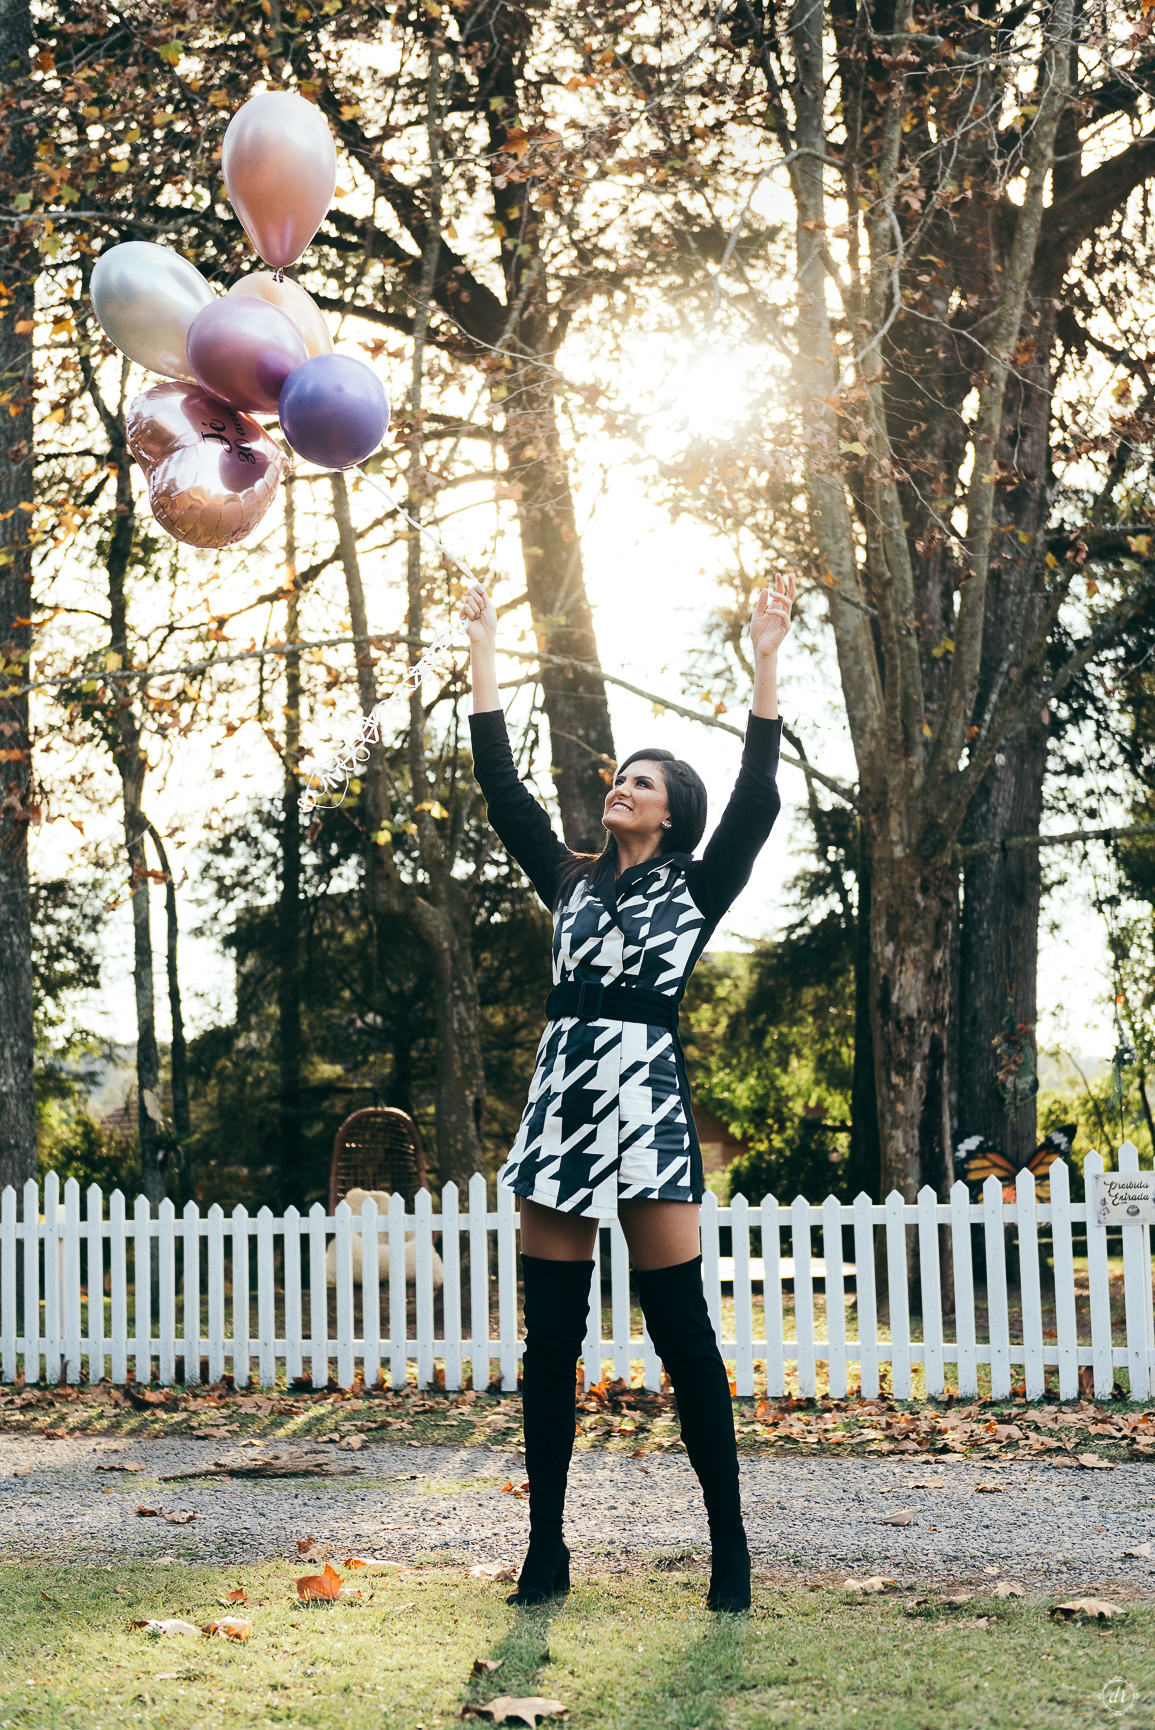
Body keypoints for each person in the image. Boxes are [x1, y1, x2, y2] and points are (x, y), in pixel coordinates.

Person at [461, 574, 793, 1613]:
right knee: (548, 1341)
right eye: (621, 776)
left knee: (681, 1330)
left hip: (647, 1102)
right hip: (561, 1100)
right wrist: (483, 647)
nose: (625, 786)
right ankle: (546, 1547)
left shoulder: (697, 881)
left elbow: (758, 800)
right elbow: (500, 786)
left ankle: (729, 1548)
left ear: (671, 811)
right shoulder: (568, 877)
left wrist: (767, 667)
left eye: (644, 783)